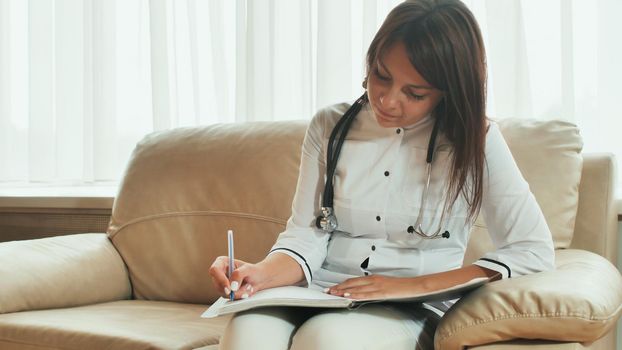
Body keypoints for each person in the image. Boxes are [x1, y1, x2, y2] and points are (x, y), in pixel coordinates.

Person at [209, 0, 555, 349]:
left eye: (414, 93)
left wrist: (415, 286)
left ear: (448, 90)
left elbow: (532, 250)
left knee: (327, 340)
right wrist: (259, 273)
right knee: (246, 332)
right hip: (317, 292)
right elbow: (304, 237)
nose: (387, 101)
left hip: (409, 308)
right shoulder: (330, 127)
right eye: (381, 76)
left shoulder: (476, 140)